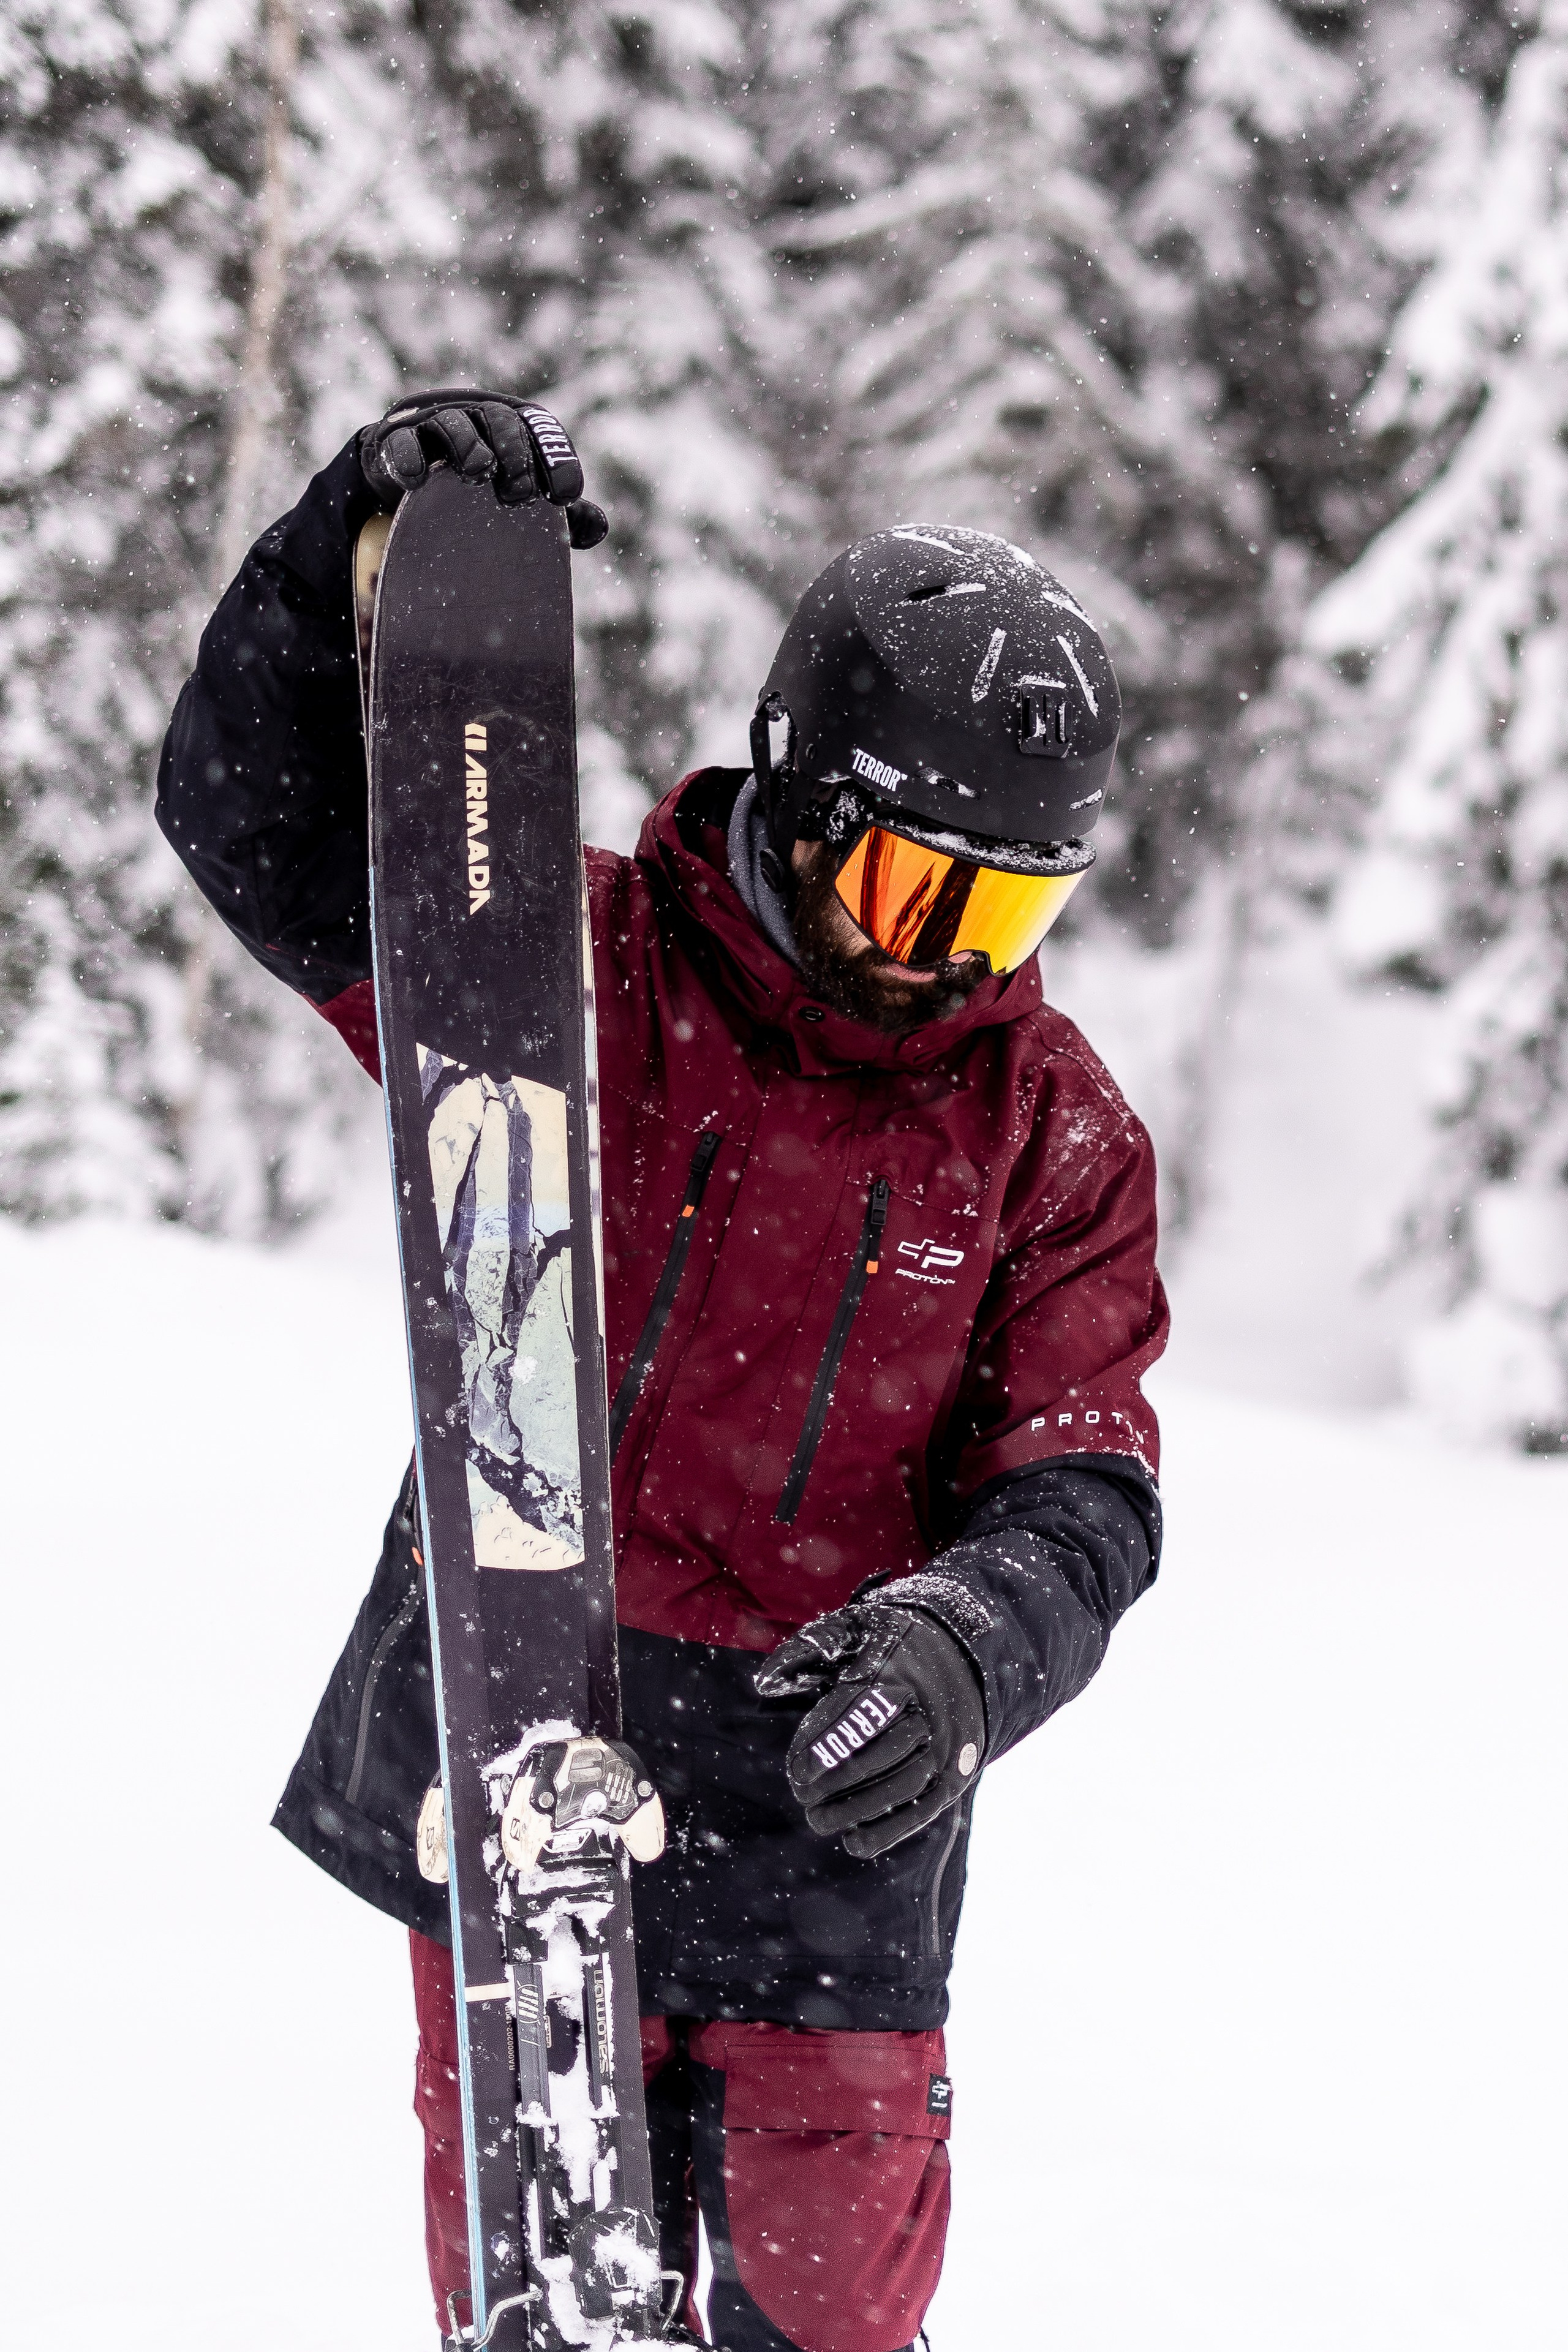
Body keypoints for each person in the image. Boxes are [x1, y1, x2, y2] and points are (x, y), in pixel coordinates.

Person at [157, 391, 1168, 2352]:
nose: (951, 962)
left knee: (827, 2315)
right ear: (804, 794)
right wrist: (338, 555)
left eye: (1012, 909)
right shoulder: (556, 963)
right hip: (535, 1734)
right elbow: (253, 826)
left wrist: (973, 1642)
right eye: (920, 892)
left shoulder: (1052, 1130)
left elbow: (1086, 1483)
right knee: (539, 2301)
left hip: (833, 1798)